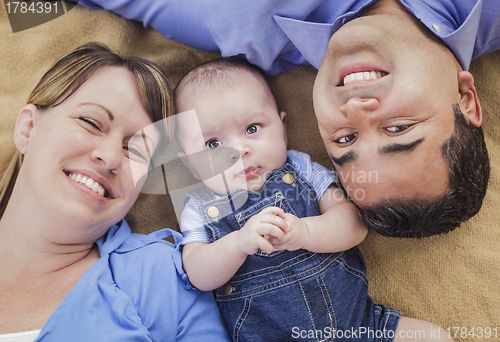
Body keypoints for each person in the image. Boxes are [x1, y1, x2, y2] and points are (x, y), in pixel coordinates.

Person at [70, 0, 496, 237]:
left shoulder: (237, 26)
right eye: (398, 129)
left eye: (344, 140)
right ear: (466, 97)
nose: (354, 109)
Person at [174, 58, 452, 342]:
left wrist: (306, 232)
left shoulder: (302, 169)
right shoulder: (199, 207)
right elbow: (196, 273)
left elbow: (353, 223)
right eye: (213, 144)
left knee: (435, 338)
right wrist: (237, 243)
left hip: (360, 326)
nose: (239, 150)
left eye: (252, 129)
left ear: (282, 128)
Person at [0, 42, 230, 341]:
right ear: (28, 128)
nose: (110, 157)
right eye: (91, 123)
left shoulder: (165, 280)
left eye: (135, 150)